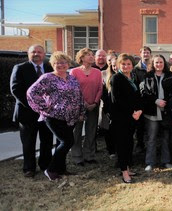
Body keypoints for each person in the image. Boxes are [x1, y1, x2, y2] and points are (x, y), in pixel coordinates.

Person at [27, 52, 85, 181]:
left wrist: (81, 113)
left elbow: (79, 96)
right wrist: (44, 107)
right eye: (57, 63)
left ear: (68, 64)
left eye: (63, 62)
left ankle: (61, 169)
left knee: (62, 143)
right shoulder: (47, 77)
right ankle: (51, 169)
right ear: (52, 64)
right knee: (67, 141)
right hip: (54, 117)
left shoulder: (72, 78)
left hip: (71, 117)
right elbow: (31, 92)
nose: (60, 65)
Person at [10, 44, 54, 178]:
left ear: (44, 54)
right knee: (29, 142)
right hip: (27, 113)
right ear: (28, 54)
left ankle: (45, 165)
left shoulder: (50, 68)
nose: (36, 54)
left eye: (39, 52)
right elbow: (15, 89)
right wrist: (35, 106)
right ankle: (29, 168)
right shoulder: (20, 68)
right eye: (33, 52)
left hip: (47, 113)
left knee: (47, 140)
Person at [110, 53, 143, 183]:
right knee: (122, 145)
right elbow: (117, 100)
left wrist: (140, 110)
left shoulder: (133, 77)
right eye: (123, 64)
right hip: (121, 118)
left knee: (129, 143)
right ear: (118, 65)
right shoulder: (116, 78)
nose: (126, 66)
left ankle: (128, 168)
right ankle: (124, 172)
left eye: (128, 64)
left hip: (133, 117)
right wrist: (132, 111)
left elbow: (138, 96)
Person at [140, 55, 172, 171]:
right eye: (156, 62)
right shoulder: (147, 76)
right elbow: (144, 93)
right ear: (153, 64)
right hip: (151, 112)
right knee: (152, 138)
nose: (159, 64)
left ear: (164, 63)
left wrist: (167, 102)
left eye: (161, 62)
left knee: (166, 138)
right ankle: (150, 162)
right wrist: (156, 100)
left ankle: (166, 161)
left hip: (166, 112)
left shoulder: (170, 76)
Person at [70, 48, 103, 166]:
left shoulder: (97, 72)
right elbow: (73, 89)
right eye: (88, 55)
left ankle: (89, 155)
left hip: (93, 106)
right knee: (76, 132)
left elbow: (100, 88)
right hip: (78, 106)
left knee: (91, 131)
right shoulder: (74, 72)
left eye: (92, 54)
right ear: (82, 58)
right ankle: (77, 157)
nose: (91, 56)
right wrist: (83, 103)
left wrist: (94, 102)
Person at [101, 52, 118, 158]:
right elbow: (104, 94)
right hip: (109, 107)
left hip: (120, 109)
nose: (115, 67)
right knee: (109, 130)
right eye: (113, 65)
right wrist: (107, 110)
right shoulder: (105, 75)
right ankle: (111, 151)